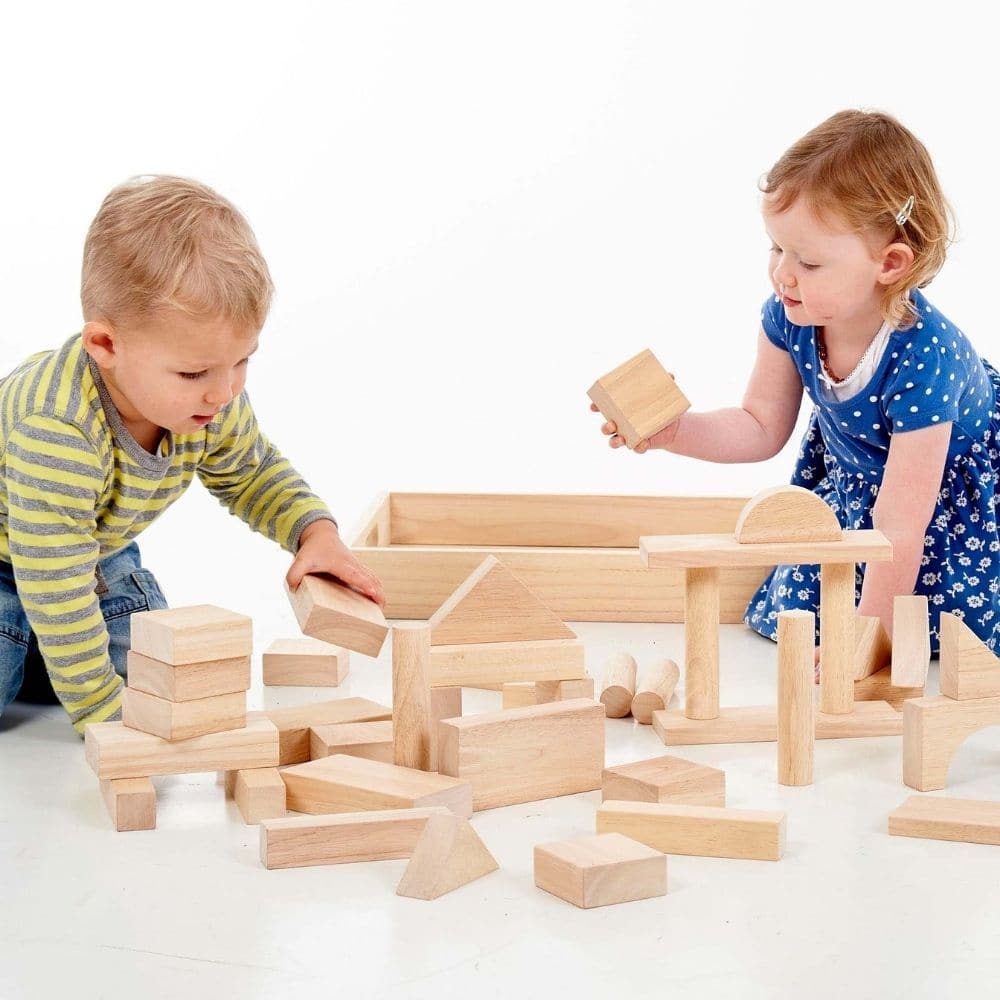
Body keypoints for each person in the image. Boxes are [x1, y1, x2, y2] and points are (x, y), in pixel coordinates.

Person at [595, 109, 999, 656]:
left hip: (940, 499)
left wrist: (867, 645)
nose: (783, 272)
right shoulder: (790, 315)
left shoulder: (926, 357)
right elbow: (759, 425)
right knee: (807, 607)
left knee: (924, 626)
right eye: (776, 247)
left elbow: (902, 526)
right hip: (868, 486)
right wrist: (675, 431)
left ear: (891, 263)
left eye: (808, 261)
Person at [0, 175, 384, 734]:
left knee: (165, 675)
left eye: (242, 361)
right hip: (16, 563)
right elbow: (54, 583)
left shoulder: (209, 399)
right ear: (105, 346)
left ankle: (46, 660)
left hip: (92, 558)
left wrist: (313, 533)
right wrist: (106, 719)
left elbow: (252, 474)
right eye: (193, 372)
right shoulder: (56, 429)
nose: (223, 391)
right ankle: (36, 654)